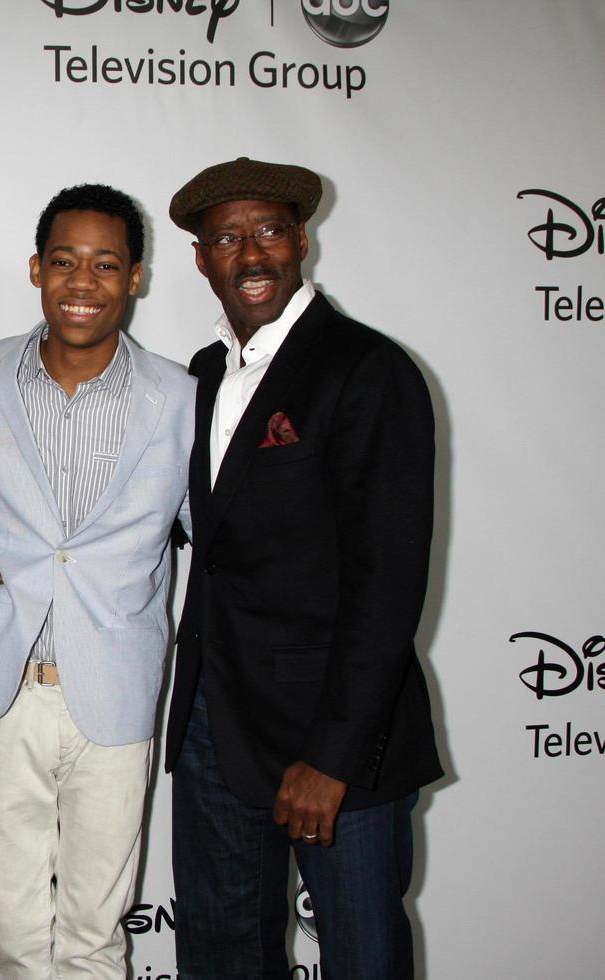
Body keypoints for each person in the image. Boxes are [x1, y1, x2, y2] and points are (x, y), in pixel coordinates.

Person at [165, 156, 442, 979]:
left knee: (361, 958)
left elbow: (388, 582)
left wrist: (334, 758)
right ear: (201, 259)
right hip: (217, 721)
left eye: (268, 233)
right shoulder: (205, 374)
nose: (251, 256)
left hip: (333, 738)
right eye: (227, 239)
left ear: (301, 240)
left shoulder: (367, 369)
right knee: (219, 954)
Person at [0, 185, 195, 979]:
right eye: (64, 261)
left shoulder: (181, 398)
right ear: (35, 269)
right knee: (14, 938)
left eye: (105, 264)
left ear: (136, 278)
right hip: (6, 688)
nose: (81, 282)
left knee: (95, 939)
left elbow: (217, 532)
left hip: (117, 694)